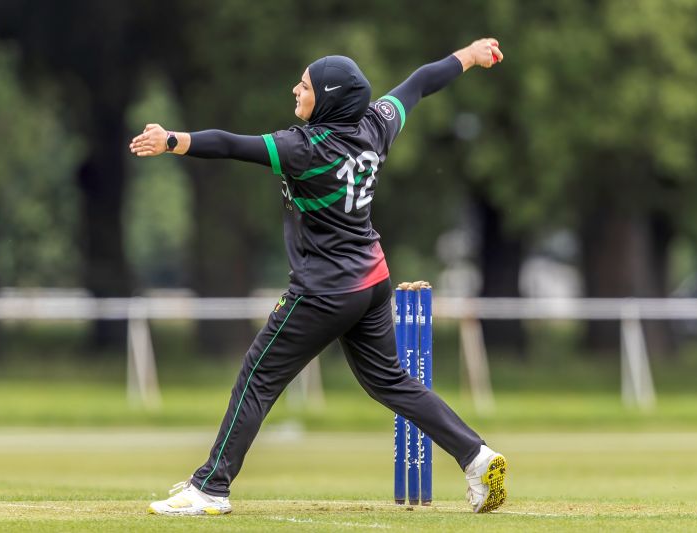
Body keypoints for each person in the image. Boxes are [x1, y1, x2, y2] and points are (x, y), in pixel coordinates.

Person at [130, 37, 506, 516]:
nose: (296, 90)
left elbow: (230, 145)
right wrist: (469, 56)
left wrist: (172, 140)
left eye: (305, 86)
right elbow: (418, 84)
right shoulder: (377, 125)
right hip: (371, 281)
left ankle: (210, 488)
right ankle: (476, 456)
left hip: (325, 290)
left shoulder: (303, 148)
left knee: (257, 377)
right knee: (390, 381)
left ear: (329, 98)